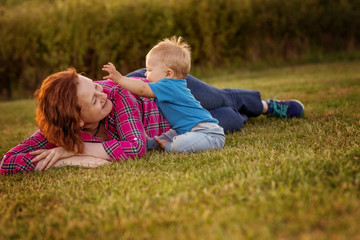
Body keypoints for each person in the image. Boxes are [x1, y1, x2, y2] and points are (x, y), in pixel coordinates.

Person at [0, 56, 304, 175]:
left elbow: (134, 147)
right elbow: (8, 163)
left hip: (158, 92)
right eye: (94, 98)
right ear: (77, 121)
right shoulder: (58, 132)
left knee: (219, 97)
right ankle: (247, 113)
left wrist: (73, 151)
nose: (102, 92)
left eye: (95, 85)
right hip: (176, 127)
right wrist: (74, 153)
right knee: (230, 119)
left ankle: (266, 105)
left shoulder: (115, 93)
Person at [102, 36, 225, 153]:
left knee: (179, 144)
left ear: (168, 74)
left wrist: (119, 79)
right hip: (185, 129)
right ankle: (151, 143)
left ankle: (170, 147)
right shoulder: (171, 85)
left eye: (149, 70)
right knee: (169, 134)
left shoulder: (169, 85)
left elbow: (142, 89)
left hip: (207, 133)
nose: (145, 74)